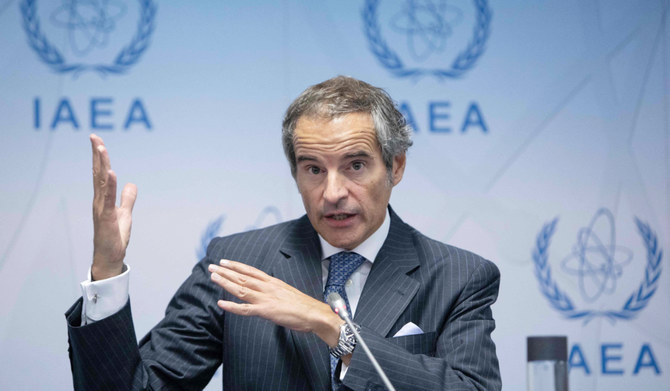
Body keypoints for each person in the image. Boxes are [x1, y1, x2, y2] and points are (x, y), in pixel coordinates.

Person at [66, 76, 501, 391]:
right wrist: (106, 271)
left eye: (355, 166)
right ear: (295, 173)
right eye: (314, 169)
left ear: (396, 166)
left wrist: (332, 328)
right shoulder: (238, 263)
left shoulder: (459, 276)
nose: (332, 193)